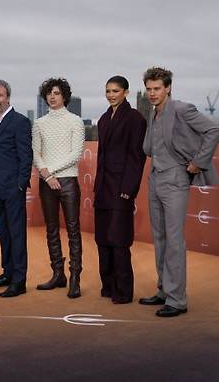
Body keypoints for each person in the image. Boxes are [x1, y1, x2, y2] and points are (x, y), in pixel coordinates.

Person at [139, 67, 219, 317]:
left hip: (176, 178)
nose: (152, 93)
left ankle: (177, 300)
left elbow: (213, 130)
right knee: (160, 238)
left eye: (157, 88)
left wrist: (198, 162)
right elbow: (151, 147)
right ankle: (164, 290)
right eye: (149, 89)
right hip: (155, 178)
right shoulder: (153, 112)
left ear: (168, 88)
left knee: (174, 240)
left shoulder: (183, 109)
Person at [94, 76, 147, 304]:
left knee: (119, 240)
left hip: (121, 188)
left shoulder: (135, 118)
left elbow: (137, 157)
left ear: (125, 92)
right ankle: (108, 286)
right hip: (103, 188)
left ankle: (123, 292)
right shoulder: (104, 118)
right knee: (102, 239)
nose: (111, 94)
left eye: (115, 90)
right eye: (108, 91)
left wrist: (128, 189)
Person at [33, 77, 85, 298]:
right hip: (47, 183)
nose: (52, 97)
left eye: (56, 93)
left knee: (73, 230)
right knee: (51, 230)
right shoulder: (39, 123)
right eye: (49, 93)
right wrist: (46, 175)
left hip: (67, 182)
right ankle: (58, 274)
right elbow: (36, 152)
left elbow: (76, 154)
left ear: (64, 96)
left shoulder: (76, 121)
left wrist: (50, 172)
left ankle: (75, 278)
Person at [0, 79, 33, 298]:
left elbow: (26, 156)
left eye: (0, 96)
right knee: (3, 232)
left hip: (13, 188)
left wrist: (21, 185)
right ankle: (7, 272)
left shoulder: (20, 121)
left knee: (16, 234)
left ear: (8, 97)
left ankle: (19, 280)